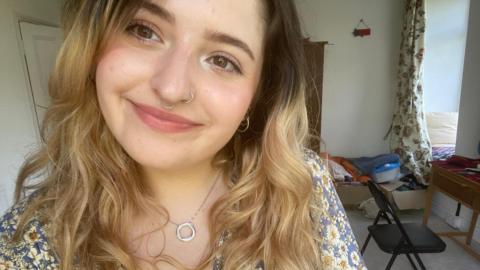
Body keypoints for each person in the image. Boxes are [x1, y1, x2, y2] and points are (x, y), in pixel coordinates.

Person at [0, 0, 366, 269]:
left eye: (223, 60)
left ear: (257, 96)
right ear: (93, 47)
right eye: (145, 31)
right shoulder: (29, 238)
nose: (171, 87)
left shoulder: (303, 188)